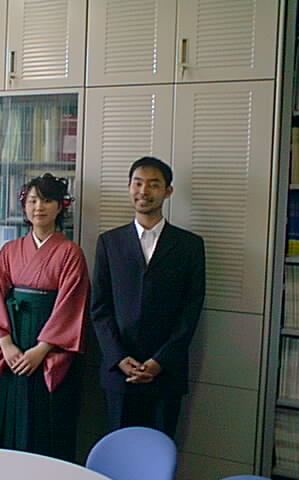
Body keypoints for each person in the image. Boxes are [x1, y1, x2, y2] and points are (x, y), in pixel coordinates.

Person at [90, 156, 206, 438]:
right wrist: (118, 357)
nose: (144, 191)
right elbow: (100, 308)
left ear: (168, 191)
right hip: (120, 372)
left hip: (166, 372)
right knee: (119, 450)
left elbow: (190, 311)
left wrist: (160, 361)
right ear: (129, 187)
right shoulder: (109, 242)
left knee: (160, 450)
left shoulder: (190, 246)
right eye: (138, 183)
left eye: (154, 184)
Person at [0, 173, 89, 461]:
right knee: (12, 416)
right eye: (32, 200)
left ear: (60, 206)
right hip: (14, 341)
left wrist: (42, 349)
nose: (39, 207)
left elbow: (71, 305)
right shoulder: (9, 250)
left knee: (47, 421)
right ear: (24, 206)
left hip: (49, 348)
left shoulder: (70, 252)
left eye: (47, 200)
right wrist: (5, 343)